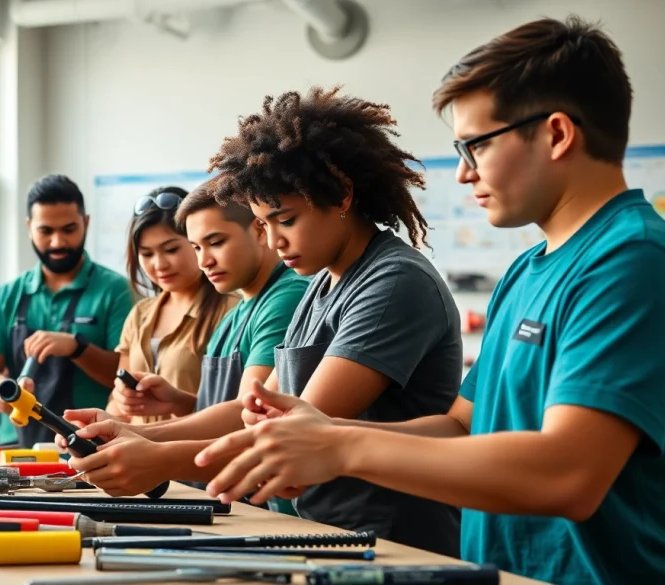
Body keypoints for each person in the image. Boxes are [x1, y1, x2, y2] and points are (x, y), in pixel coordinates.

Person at [194, 17, 665, 585]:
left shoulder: (634, 261)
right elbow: (462, 427)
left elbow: (569, 475)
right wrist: (316, 439)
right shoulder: (529, 270)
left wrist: (341, 447)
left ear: (557, 134)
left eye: (476, 145)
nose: (462, 173)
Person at [69, 89, 464, 556]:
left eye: (285, 220)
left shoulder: (394, 281)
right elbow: (251, 410)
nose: (274, 241)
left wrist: (156, 459)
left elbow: (294, 437)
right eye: (263, 223)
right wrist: (133, 433)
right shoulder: (322, 284)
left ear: (340, 196)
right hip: (322, 531)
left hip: (390, 540)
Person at [61, 178, 309, 513]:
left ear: (259, 230)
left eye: (215, 242)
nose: (204, 260)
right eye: (196, 247)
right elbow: (225, 406)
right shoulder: (240, 312)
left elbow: (246, 414)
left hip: (263, 504)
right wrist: (175, 402)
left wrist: (134, 438)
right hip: (225, 498)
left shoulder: (284, 297)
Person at [0, 174, 135, 446]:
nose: (58, 242)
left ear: (86, 223)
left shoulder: (116, 291)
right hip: (15, 451)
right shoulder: (6, 297)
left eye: (69, 229)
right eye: (46, 231)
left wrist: (77, 348)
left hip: (90, 447)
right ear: (29, 227)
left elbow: (124, 375)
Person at [109, 186, 238, 423]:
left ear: (197, 242)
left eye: (171, 249)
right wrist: (110, 410)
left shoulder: (232, 311)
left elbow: (235, 411)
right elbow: (118, 408)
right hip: (136, 455)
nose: (159, 264)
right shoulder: (140, 313)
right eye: (147, 254)